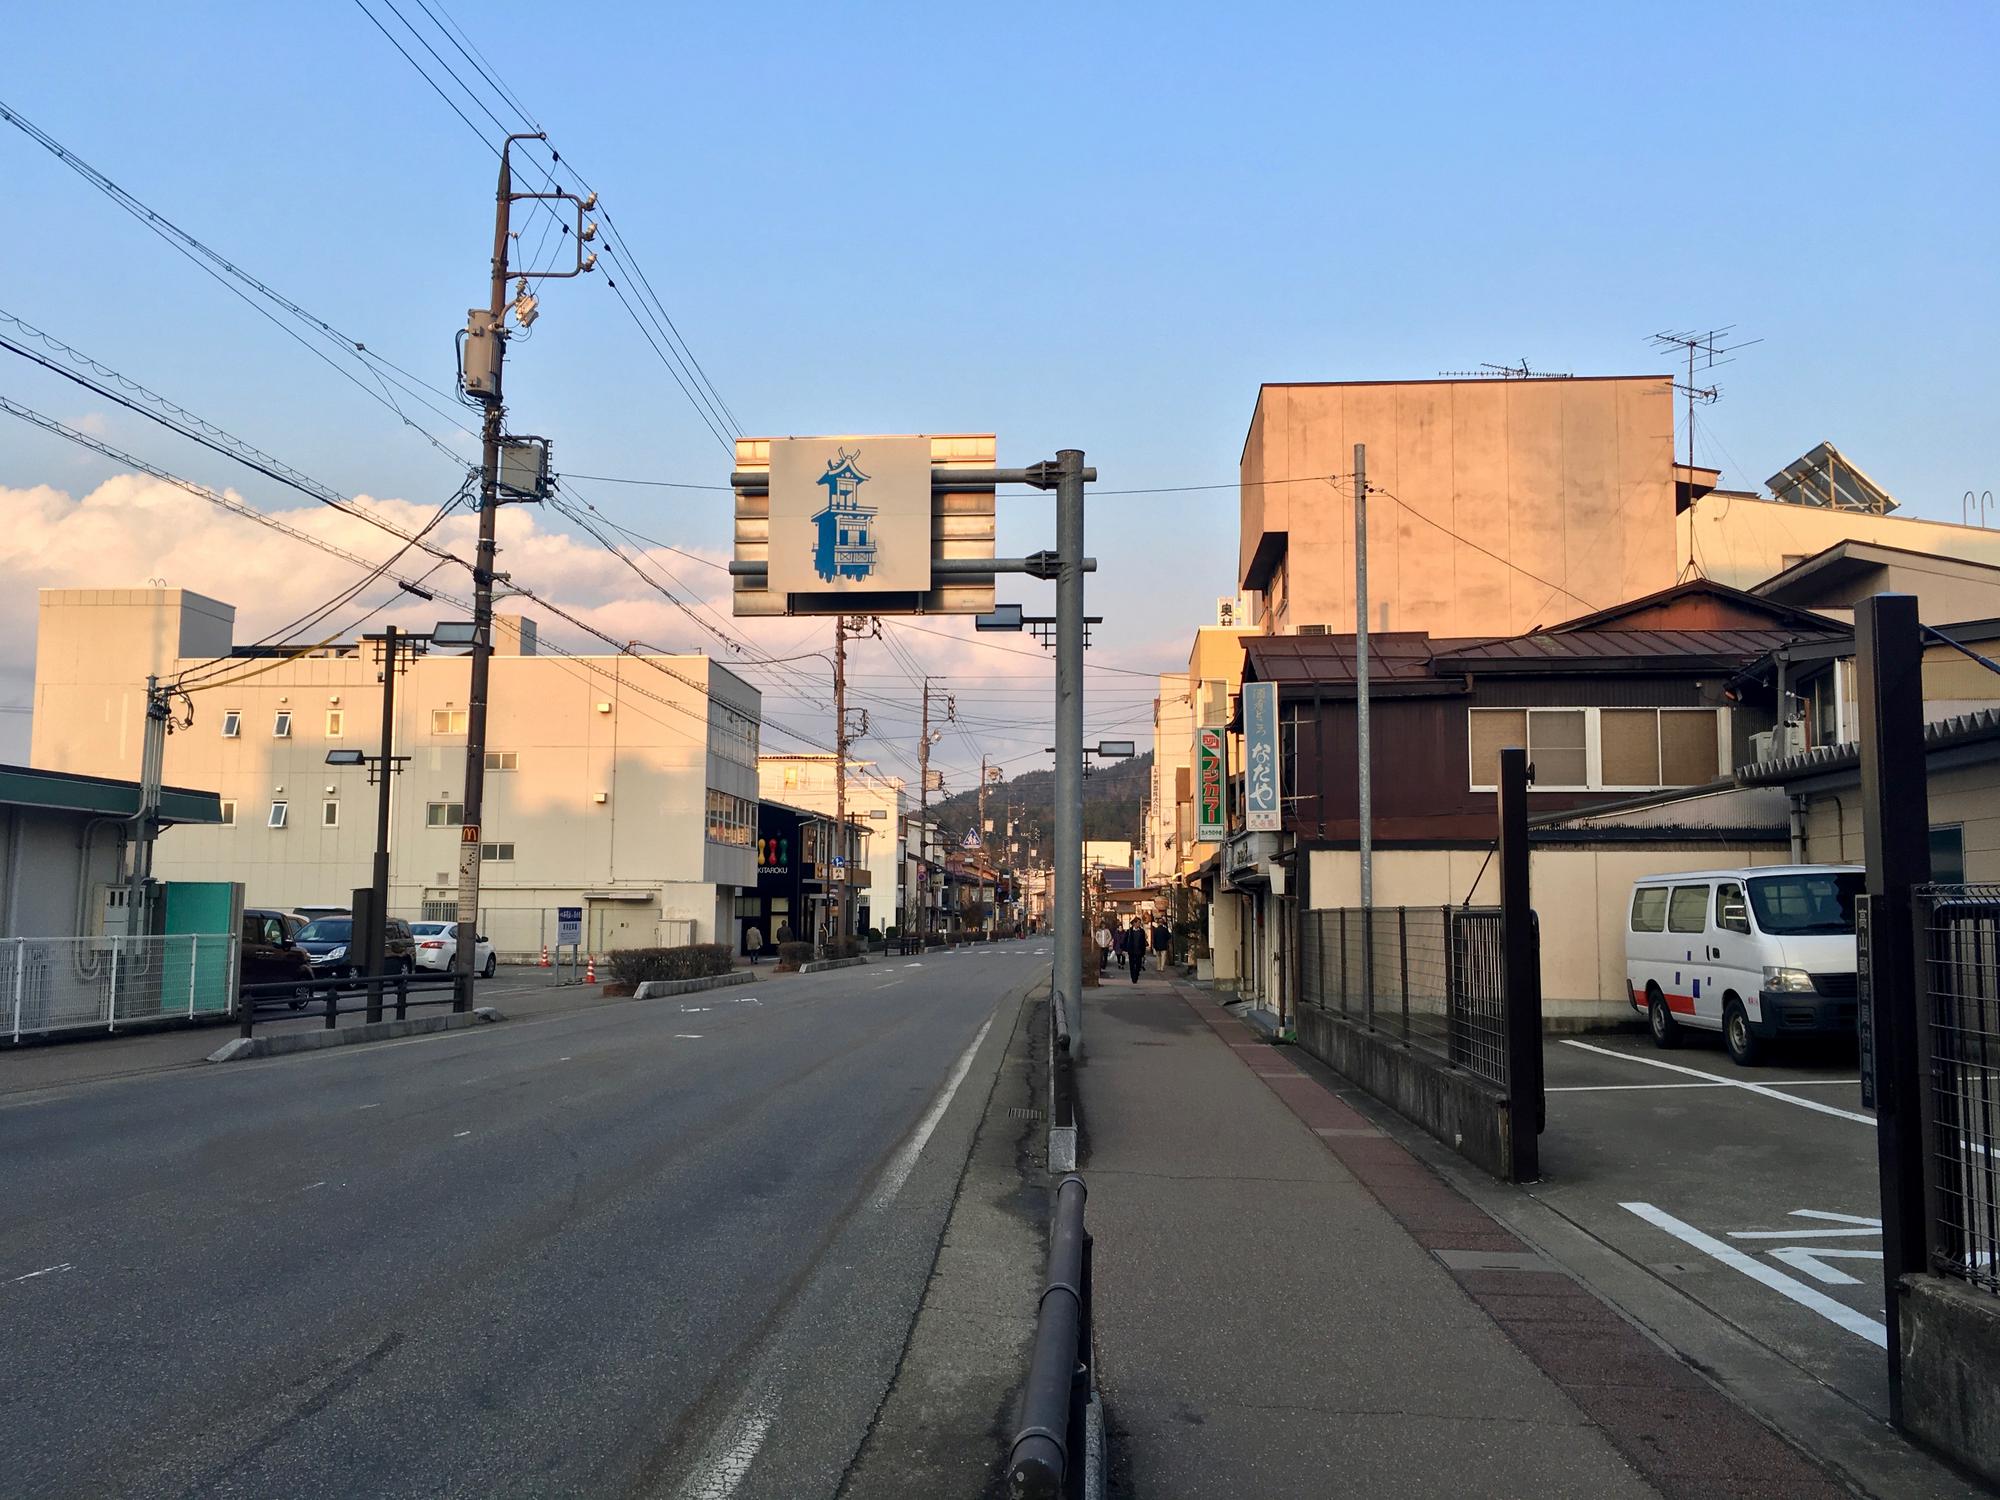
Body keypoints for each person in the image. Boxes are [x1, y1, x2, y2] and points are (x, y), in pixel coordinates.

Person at [1122, 920, 1146, 984]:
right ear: (1134, 923)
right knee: (1132, 965)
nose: (1139, 924)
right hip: (1131, 951)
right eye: (1138, 923)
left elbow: (1143, 942)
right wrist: (1124, 949)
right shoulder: (1129, 931)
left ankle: (1136, 975)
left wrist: (1144, 953)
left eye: (1140, 923)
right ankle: (1133, 978)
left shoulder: (1142, 931)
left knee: (1138, 965)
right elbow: (1125, 940)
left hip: (1139, 951)